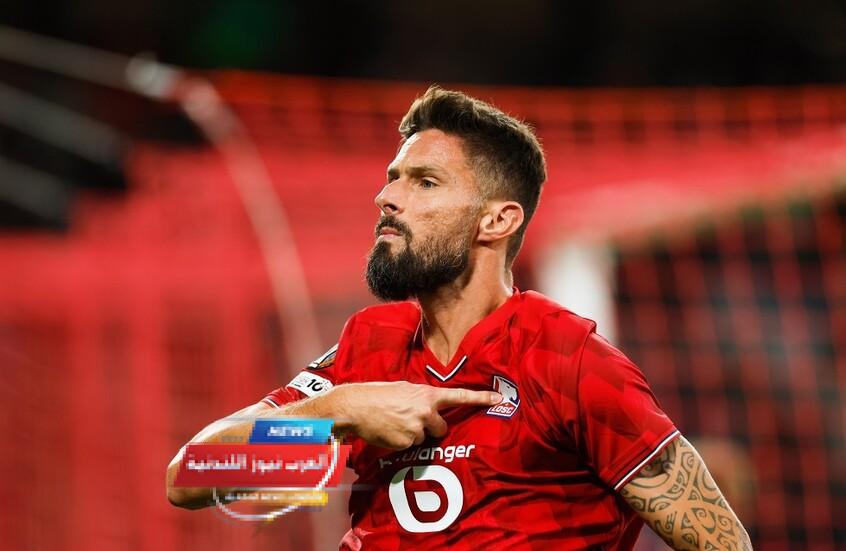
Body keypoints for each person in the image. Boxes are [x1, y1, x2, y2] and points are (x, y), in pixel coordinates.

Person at [167, 86, 752, 550]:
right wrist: (337, 411)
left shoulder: (567, 358)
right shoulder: (367, 349)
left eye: (425, 182)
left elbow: (722, 541)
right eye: (393, 178)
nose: (387, 198)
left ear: (496, 221)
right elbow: (194, 478)